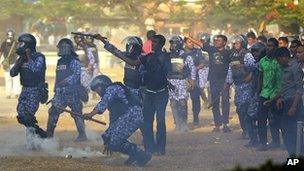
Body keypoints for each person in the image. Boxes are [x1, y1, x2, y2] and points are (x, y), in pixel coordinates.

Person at [94, 33, 170, 155]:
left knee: (148, 121)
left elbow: (151, 76)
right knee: (122, 116)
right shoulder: (132, 57)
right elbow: (115, 51)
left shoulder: (146, 58)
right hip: (127, 93)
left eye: (131, 46)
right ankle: (115, 142)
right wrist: (103, 42)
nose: (129, 48)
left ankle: (154, 148)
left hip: (142, 94)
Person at [83, 75, 152, 166]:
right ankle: (134, 154)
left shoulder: (112, 88)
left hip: (133, 115)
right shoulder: (112, 95)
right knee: (107, 136)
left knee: (115, 142)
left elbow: (104, 103)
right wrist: (109, 141)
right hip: (127, 116)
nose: (98, 92)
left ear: (103, 84)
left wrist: (90, 114)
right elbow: (114, 118)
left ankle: (141, 155)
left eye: (97, 89)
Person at [10, 33, 48, 149]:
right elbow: (12, 73)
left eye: (22, 44)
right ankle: (39, 133)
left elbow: (36, 69)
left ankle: (31, 144)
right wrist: (20, 60)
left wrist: (28, 56)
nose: (19, 46)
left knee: (28, 115)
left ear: (29, 45)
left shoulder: (39, 57)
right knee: (21, 114)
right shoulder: (22, 59)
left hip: (35, 90)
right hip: (25, 89)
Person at [46, 38, 88, 142]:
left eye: (61, 47)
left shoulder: (74, 61)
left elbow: (77, 74)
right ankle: (49, 136)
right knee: (53, 112)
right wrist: (56, 90)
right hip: (60, 93)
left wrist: (66, 81)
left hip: (72, 92)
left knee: (77, 113)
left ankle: (82, 135)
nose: (59, 49)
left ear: (66, 48)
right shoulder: (60, 61)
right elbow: (58, 77)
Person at [274, 47, 303, 156]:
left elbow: (299, 89)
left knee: (293, 132)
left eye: (279, 60)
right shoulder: (284, 67)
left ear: (284, 57)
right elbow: (286, 87)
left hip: (293, 103)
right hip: (286, 101)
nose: (278, 63)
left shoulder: (295, 68)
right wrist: (279, 98)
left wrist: (294, 106)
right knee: (286, 131)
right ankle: (293, 156)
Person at [99, 36, 144, 101]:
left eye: (132, 47)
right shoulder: (127, 55)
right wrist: (102, 40)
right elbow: (113, 50)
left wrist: (121, 56)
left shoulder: (143, 57)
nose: (130, 49)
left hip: (138, 90)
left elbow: (133, 63)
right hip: (127, 86)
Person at [256, 38, 282, 151]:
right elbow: (260, 77)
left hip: (277, 95)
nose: (268, 48)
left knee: (275, 120)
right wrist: (258, 91)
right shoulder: (262, 61)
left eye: (271, 46)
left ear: (276, 48)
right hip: (264, 94)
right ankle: (262, 143)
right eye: (267, 46)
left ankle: (276, 142)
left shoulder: (280, 61)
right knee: (261, 119)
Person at [167, 35, 196, 131]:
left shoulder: (185, 55)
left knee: (182, 103)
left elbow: (192, 68)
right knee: (173, 103)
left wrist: (192, 80)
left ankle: (184, 124)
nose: (173, 45)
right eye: (171, 43)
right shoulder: (167, 55)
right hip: (171, 81)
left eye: (175, 43)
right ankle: (177, 124)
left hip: (182, 81)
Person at [230, 35, 256, 139]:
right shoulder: (232, 55)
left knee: (246, 108)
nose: (236, 45)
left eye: (238, 43)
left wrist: (249, 75)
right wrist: (228, 83)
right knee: (239, 109)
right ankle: (244, 130)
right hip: (237, 85)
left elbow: (254, 66)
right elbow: (229, 69)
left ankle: (250, 132)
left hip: (247, 85)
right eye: (234, 43)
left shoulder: (247, 55)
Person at [245, 42, 267, 147]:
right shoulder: (258, 63)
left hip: (260, 95)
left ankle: (256, 140)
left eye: (257, 51)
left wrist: (257, 95)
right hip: (256, 94)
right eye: (253, 51)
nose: (254, 53)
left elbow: (260, 81)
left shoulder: (260, 64)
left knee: (251, 117)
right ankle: (256, 140)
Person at [184, 37, 206, 126]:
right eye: (189, 42)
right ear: (185, 43)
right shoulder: (182, 53)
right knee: (182, 100)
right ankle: (182, 119)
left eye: (192, 42)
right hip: (183, 78)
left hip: (194, 78)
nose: (192, 44)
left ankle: (196, 117)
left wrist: (195, 69)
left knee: (195, 99)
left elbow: (203, 63)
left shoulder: (197, 51)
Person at [0, 29, 21, 99]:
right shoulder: (3, 44)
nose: (10, 37)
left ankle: (17, 93)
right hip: (7, 64)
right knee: (8, 78)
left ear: (13, 36)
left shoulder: (16, 43)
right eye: (8, 35)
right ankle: (8, 93)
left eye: (11, 35)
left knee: (16, 78)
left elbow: (20, 53)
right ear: (6, 36)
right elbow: (1, 53)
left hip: (15, 63)